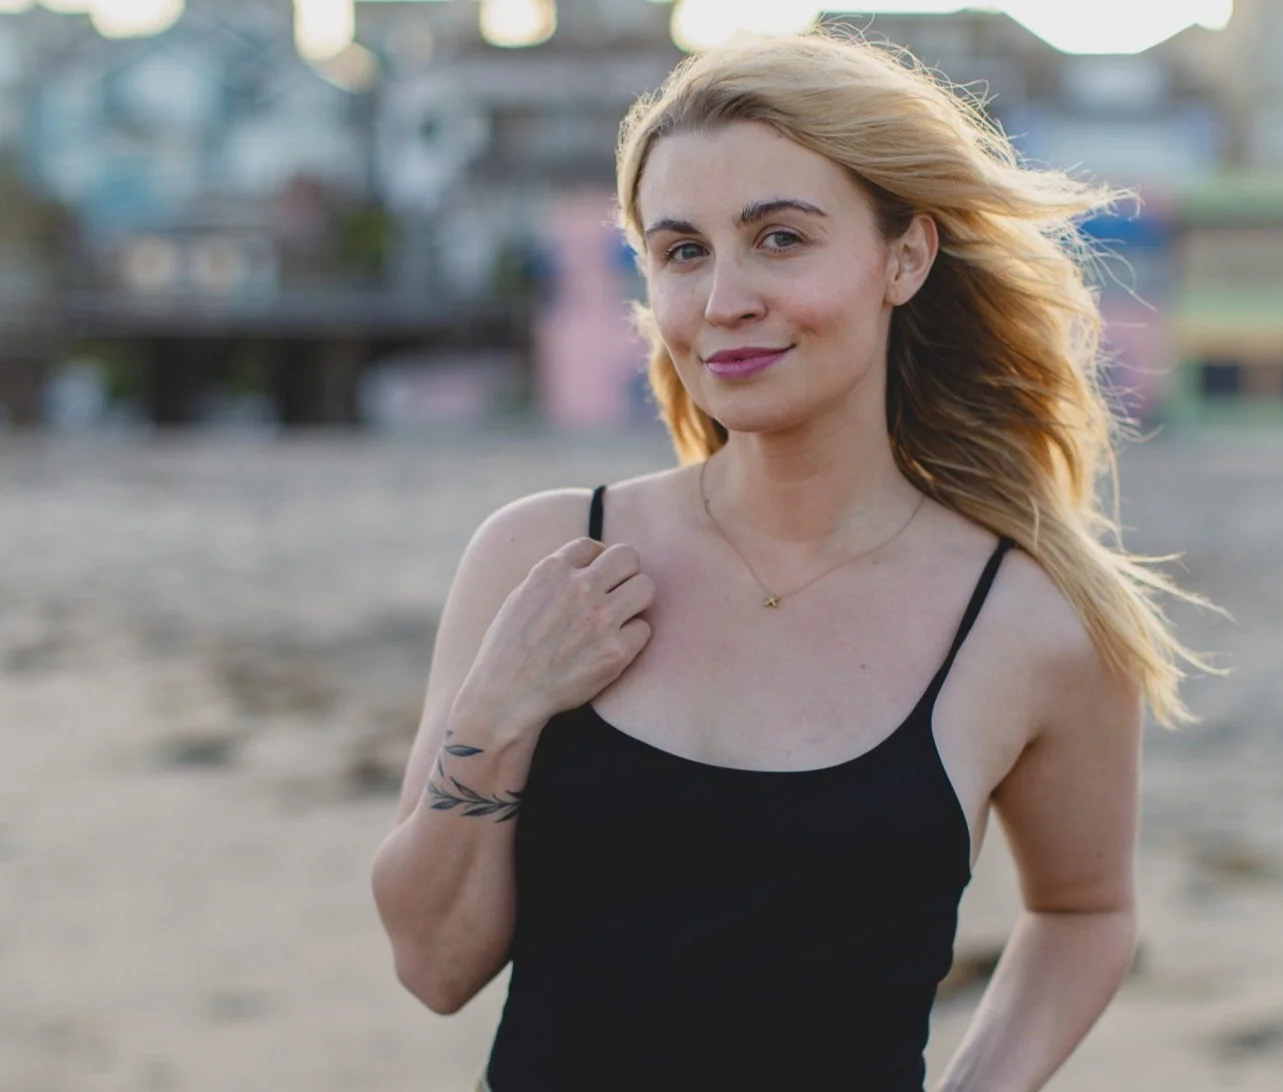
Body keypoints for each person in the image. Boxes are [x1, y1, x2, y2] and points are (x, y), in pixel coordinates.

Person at [371, 29, 1211, 1092]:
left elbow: (1083, 911)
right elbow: (434, 966)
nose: (724, 301)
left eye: (779, 239)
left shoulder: (1027, 624)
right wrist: (496, 710)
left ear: (904, 256)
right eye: (682, 252)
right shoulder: (548, 558)